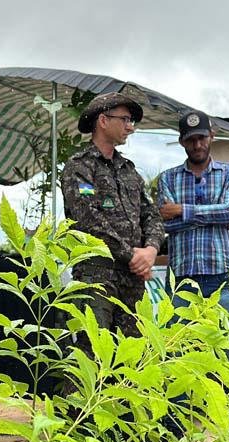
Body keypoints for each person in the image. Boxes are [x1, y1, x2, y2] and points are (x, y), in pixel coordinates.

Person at [157, 110, 229, 427]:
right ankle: (176, 431)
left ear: (212, 138)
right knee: (178, 354)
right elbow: (165, 222)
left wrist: (183, 211)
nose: (197, 144)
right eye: (191, 139)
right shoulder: (167, 178)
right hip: (182, 280)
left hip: (221, 278)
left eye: (202, 138)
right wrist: (207, 215)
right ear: (182, 142)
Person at [61, 92, 164, 345]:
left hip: (132, 279)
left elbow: (150, 214)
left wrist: (150, 250)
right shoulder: (79, 167)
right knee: (91, 353)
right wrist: (133, 256)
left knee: (132, 357)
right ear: (103, 121)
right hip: (97, 275)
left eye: (132, 121)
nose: (130, 127)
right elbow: (88, 221)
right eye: (125, 119)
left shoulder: (129, 170)